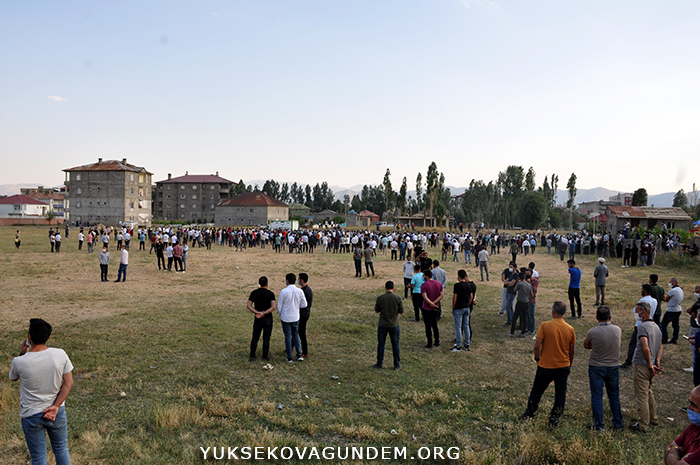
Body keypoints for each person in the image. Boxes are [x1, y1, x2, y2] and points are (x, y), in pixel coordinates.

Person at [9, 318, 74, 465]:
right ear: (49, 337)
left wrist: (22, 353)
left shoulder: (19, 361)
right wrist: (56, 405)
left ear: (28, 338)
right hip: (56, 412)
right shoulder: (60, 354)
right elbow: (68, 383)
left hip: (31, 414)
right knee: (61, 448)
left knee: (38, 457)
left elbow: (13, 377)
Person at [521, 301, 576, 428]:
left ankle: (530, 413)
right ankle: (554, 420)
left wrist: (537, 357)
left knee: (537, 390)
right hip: (563, 365)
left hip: (546, 365)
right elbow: (571, 351)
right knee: (560, 394)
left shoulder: (545, 326)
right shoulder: (570, 329)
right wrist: (569, 364)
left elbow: (537, 346)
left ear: (553, 312)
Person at [583, 306, 623, 431]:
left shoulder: (592, 332)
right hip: (613, 366)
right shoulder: (617, 330)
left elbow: (586, 345)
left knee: (597, 396)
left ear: (596, 318)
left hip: (596, 366)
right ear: (610, 317)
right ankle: (618, 423)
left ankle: (599, 424)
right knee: (614, 395)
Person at [631, 301, 663, 433]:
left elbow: (645, 346)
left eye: (637, 311)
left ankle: (643, 424)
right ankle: (653, 418)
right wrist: (657, 362)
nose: (636, 313)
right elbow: (660, 346)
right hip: (653, 364)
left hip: (643, 365)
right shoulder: (656, 326)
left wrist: (650, 364)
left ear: (643, 312)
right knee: (649, 391)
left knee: (641, 395)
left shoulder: (643, 327)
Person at [621, 284, 659, 369]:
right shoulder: (655, 301)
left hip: (640, 324)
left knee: (633, 344)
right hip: (650, 322)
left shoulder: (642, 300)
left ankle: (628, 362)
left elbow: (635, 310)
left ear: (644, 291)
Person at [664, 385, 700, 464]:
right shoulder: (694, 427)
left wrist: (673, 453)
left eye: (694, 405)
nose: (689, 408)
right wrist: (678, 459)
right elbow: (670, 447)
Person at [276, 273, 307, 363]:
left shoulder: (284, 292)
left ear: (287, 281)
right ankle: (299, 354)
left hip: (286, 317)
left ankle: (289, 356)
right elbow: (304, 304)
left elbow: (279, 306)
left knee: (287, 336)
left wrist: (281, 313)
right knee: (295, 335)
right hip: (295, 317)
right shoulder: (300, 291)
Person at [374, 281, 404, 370]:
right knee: (395, 345)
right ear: (393, 288)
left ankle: (379, 363)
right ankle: (396, 364)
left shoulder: (380, 298)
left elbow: (376, 311)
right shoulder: (398, 298)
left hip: (383, 324)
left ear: (385, 288)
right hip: (394, 324)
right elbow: (401, 312)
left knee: (381, 344)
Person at [247, 276, 276, 362]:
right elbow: (273, 307)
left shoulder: (254, 293)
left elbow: (249, 305)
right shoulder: (270, 294)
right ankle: (265, 356)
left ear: (259, 284)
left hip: (258, 318)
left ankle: (252, 355)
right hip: (267, 318)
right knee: (266, 338)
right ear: (267, 283)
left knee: (255, 337)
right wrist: (264, 313)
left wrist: (257, 312)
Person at [452, 270, 475, 351]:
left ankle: (458, 345)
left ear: (459, 276)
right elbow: (471, 297)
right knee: (466, 326)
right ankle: (467, 344)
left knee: (458, 327)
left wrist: (453, 306)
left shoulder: (457, 286)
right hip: (466, 307)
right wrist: (468, 304)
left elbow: (455, 297)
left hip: (458, 307)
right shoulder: (469, 285)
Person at [420, 269, 442, 348]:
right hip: (435, 308)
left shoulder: (424, 285)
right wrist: (435, 303)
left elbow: (425, 297)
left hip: (427, 308)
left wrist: (431, 303)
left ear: (426, 276)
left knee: (428, 326)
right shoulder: (438, 284)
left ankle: (429, 343)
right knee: (435, 325)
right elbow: (441, 295)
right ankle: (437, 341)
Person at [662, 278, 685, 344]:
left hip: (671, 310)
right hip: (678, 309)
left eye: (670, 282)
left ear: (674, 282)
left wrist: (661, 296)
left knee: (663, 324)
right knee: (675, 325)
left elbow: (666, 299)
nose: (669, 283)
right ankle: (675, 339)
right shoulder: (680, 290)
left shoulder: (673, 290)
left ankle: (664, 338)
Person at [510, 271, 533, 338]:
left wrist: (517, 282)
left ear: (519, 278)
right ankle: (522, 333)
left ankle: (512, 332)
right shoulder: (529, 285)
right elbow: (532, 294)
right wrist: (529, 299)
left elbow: (514, 290)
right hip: (526, 303)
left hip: (520, 302)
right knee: (524, 318)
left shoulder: (519, 284)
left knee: (515, 317)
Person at [298, 273, 313, 358]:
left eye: (299, 279)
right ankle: (290, 347)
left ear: (302, 280)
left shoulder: (305, 291)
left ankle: (305, 351)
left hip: (303, 314)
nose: (298, 280)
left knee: (301, 333)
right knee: (296, 331)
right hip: (304, 313)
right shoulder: (306, 289)